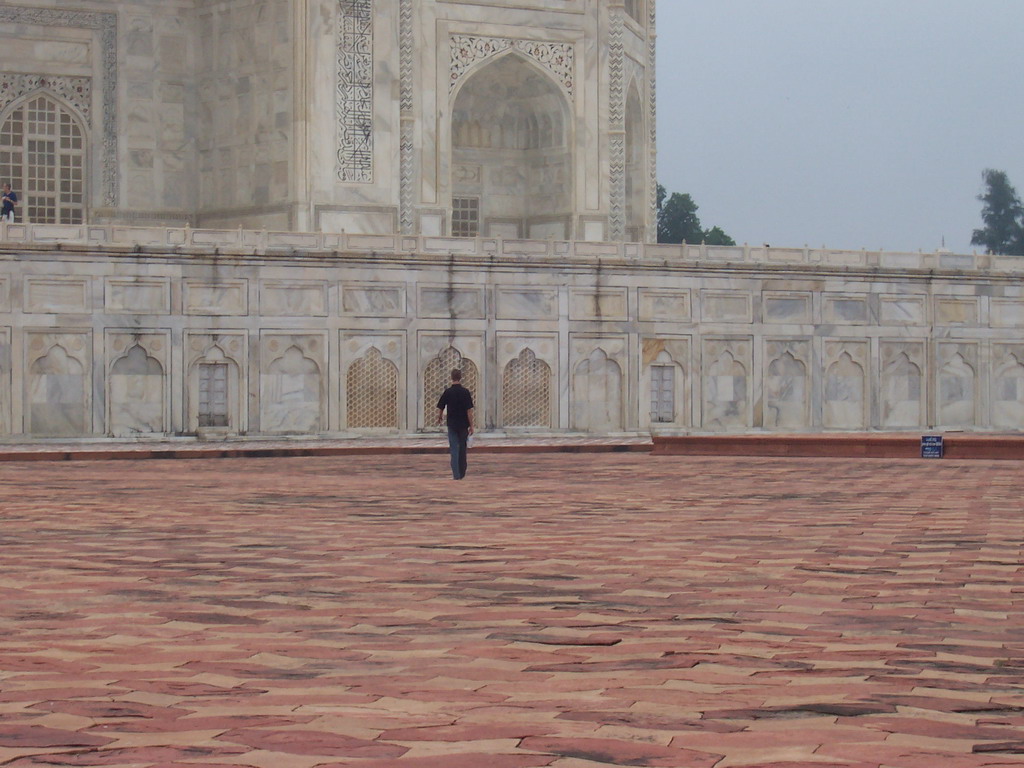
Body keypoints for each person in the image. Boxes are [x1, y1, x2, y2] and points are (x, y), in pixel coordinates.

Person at [436, 368, 474, 480]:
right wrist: (471, 425)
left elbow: (441, 406)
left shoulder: (448, 392)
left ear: (451, 377)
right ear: (460, 377)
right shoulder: (465, 392)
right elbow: (469, 411)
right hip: (463, 424)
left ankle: (456, 475)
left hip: (452, 424)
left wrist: (439, 417)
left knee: (454, 449)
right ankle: (462, 472)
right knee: (462, 448)